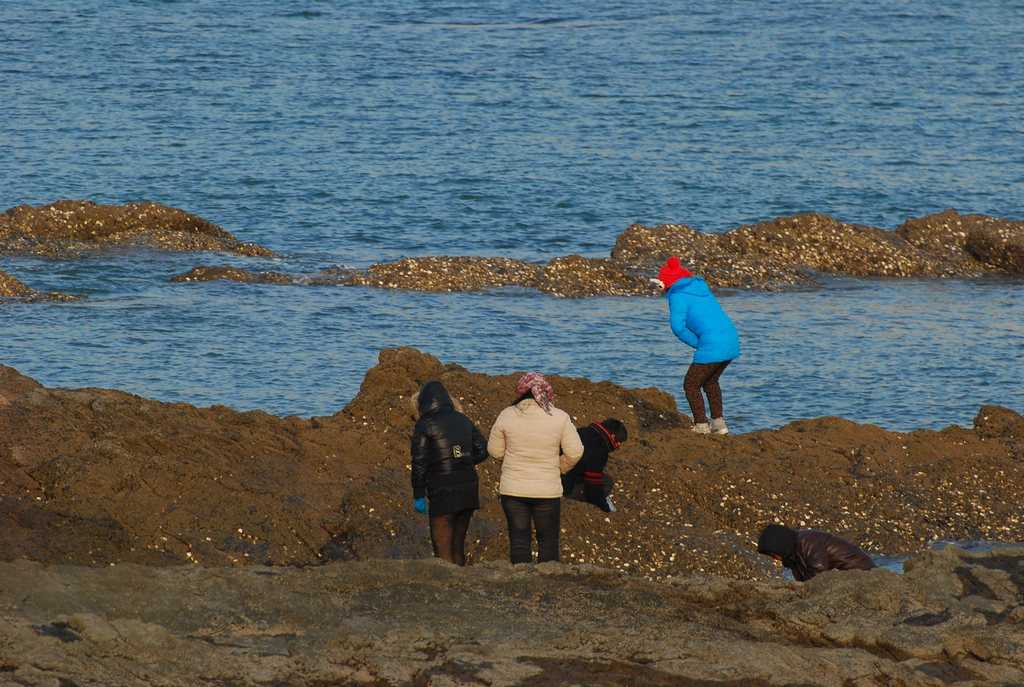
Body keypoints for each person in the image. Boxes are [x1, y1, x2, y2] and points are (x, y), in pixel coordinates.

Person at [488, 372, 584, 564]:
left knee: (519, 541)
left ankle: (522, 585)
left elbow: (494, 451)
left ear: (521, 391)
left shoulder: (507, 414)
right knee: (548, 541)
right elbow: (575, 452)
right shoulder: (559, 417)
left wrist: (514, 461)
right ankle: (547, 584)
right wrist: (558, 467)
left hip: (513, 489)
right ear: (546, 391)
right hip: (547, 490)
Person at [656, 256, 740, 435]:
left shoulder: (677, 297)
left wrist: (697, 344)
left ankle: (701, 426)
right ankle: (719, 425)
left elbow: (677, 327)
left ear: (665, 285)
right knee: (710, 382)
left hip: (713, 344)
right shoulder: (700, 290)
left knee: (691, 384)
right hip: (731, 340)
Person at [410, 380, 489, 566]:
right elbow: (484, 450)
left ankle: (449, 592)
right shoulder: (463, 419)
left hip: (443, 489)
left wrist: (419, 494)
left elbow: (419, 462)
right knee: (457, 548)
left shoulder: (424, 423)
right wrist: (463, 461)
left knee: (443, 551)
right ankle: (462, 587)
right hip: (469, 485)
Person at [757, 524, 876, 581]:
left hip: (863, 574)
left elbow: (818, 570)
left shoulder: (806, 540)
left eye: (773, 553)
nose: (776, 558)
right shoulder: (794, 556)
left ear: (780, 545)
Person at [561, 419, 627, 513]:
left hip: (553, 476)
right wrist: (604, 509)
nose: (616, 448)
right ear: (612, 437)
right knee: (607, 483)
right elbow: (593, 486)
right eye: (618, 445)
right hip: (564, 489)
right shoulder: (600, 448)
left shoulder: (582, 431)